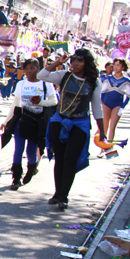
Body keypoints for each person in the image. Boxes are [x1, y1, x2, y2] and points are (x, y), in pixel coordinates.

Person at [38, 49, 106, 211]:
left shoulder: (94, 82)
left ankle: (64, 196)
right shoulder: (64, 75)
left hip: (79, 125)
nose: (75, 63)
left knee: (70, 159)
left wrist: (102, 131)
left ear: (87, 63)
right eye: (73, 59)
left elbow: (96, 107)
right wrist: (58, 62)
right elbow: (42, 75)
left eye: (80, 60)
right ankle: (57, 193)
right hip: (59, 122)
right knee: (59, 158)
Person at [1, 58, 58, 190]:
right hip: (22, 119)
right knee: (18, 149)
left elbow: (54, 101)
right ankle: (16, 177)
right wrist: (6, 121)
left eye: (32, 68)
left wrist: (41, 102)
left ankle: (32, 168)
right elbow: (15, 103)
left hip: (37, 121)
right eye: (26, 69)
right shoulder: (21, 84)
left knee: (31, 151)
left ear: (38, 69)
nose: (29, 71)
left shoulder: (46, 84)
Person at [101, 58, 130, 142]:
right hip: (106, 104)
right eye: (115, 65)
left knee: (112, 127)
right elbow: (103, 92)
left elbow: (128, 96)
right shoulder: (109, 78)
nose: (115, 67)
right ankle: (102, 148)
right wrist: (102, 103)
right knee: (104, 126)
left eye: (118, 65)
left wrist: (122, 107)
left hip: (117, 105)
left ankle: (109, 148)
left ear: (123, 67)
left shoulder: (126, 80)